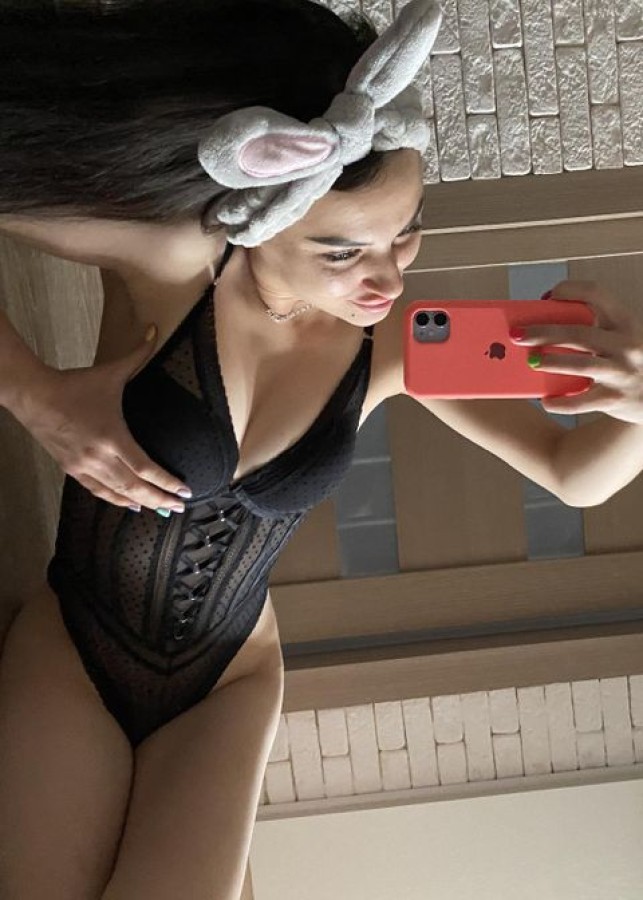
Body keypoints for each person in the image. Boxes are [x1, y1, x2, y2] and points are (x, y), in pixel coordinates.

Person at [0, 1, 642, 898]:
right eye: (342, 251)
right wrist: (35, 394)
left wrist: (636, 410)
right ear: (256, 217)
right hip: (79, 634)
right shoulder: (177, 263)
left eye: (404, 232)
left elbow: (574, 478)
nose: (387, 276)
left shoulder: (397, 347)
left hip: (229, 677)